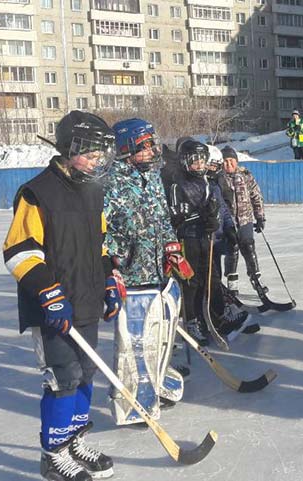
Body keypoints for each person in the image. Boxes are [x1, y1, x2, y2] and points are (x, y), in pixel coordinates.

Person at [3, 110, 118, 481]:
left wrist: (109, 281)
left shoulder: (93, 192)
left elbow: (98, 248)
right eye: (91, 152)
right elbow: (19, 251)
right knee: (62, 379)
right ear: (69, 149)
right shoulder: (38, 193)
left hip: (85, 302)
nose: (97, 160)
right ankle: (52, 455)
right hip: (52, 309)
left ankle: (74, 442)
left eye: (102, 153)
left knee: (85, 375)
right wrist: (50, 294)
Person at [103, 118, 191, 424]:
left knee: (162, 334)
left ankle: (157, 381)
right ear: (127, 148)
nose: (154, 149)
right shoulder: (110, 182)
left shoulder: (152, 176)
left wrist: (171, 246)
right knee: (135, 343)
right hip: (132, 275)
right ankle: (132, 400)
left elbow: (162, 216)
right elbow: (100, 231)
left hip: (158, 271)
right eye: (146, 145)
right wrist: (115, 258)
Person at [167, 139, 222, 345]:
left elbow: (212, 209)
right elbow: (175, 217)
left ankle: (209, 316)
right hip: (187, 238)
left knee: (210, 278)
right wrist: (199, 217)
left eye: (202, 161)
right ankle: (191, 320)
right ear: (184, 162)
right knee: (191, 282)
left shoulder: (206, 183)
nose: (199, 165)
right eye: (194, 161)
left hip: (203, 238)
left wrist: (212, 221)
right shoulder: (176, 184)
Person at [205, 145, 256, 338]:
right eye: (216, 164)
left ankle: (223, 312)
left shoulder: (216, 183)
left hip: (220, 235)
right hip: (204, 239)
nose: (219, 167)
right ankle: (211, 317)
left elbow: (223, 209)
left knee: (215, 278)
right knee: (211, 279)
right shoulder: (203, 183)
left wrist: (228, 227)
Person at [218, 145, 269, 299]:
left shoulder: (246, 175)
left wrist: (260, 217)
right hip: (228, 223)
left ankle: (256, 280)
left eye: (231, 161)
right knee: (231, 251)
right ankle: (232, 284)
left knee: (249, 248)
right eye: (225, 161)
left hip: (245, 220)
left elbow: (256, 196)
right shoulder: (219, 178)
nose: (229, 164)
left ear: (237, 161)